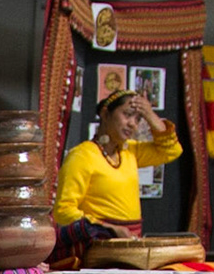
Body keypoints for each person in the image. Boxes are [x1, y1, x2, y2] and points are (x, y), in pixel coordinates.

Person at [52, 89, 183, 238]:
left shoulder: (130, 152)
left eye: (138, 119)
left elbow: (172, 150)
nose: (132, 124)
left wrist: (150, 114)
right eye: (127, 114)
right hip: (98, 244)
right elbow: (63, 211)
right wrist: (108, 228)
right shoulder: (82, 156)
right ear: (105, 114)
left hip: (130, 244)